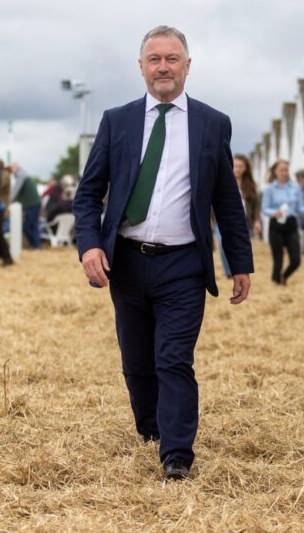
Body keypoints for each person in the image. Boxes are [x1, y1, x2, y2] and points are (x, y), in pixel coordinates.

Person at [73, 25, 254, 481]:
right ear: (141, 68)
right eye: (154, 59)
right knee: (137, 362)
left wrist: (240, 263)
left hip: (183, 265)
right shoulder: (118, 121)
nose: (163, 68)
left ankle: (176, 454)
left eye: (172, 58)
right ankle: (151, 430)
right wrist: (89, 244)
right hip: (127, 262)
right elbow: (88, 192)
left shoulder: (213, 124)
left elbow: (226, 202)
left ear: (188, 66)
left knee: (173, 358)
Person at [214, 154, 261, 278]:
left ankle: (240, 270)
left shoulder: (251, 186)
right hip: (222, 220)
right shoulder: (221, 182)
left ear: (245, 168)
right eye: (235, 166)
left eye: (241, 166)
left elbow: (256, 205)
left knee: (240, 247)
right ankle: (228, 272)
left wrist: (256, 220)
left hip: (244, 221)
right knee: (223, 244)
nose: (238, 169)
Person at [262, 160, 304, 285]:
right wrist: (274, 212)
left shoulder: (295, 187)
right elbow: (264, 208)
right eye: (281, 170)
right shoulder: (269, 189)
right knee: (278, 259)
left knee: (296, 260)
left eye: (286, 170)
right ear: (275, 172)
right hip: (276, 225)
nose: (284, 172)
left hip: (291, 224)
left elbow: (300, 208)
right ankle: (276, 283)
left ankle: (284, 276)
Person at [9, 162, 43, 249]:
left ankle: (36, 245)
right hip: (35, 203)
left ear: (15, 168)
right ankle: (37, 245)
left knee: (27, 227)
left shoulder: (20, 175)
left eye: (11, 168)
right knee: (34, 226)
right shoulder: (24, 174)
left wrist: (8, 201)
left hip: (31, 204)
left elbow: (15, 191)